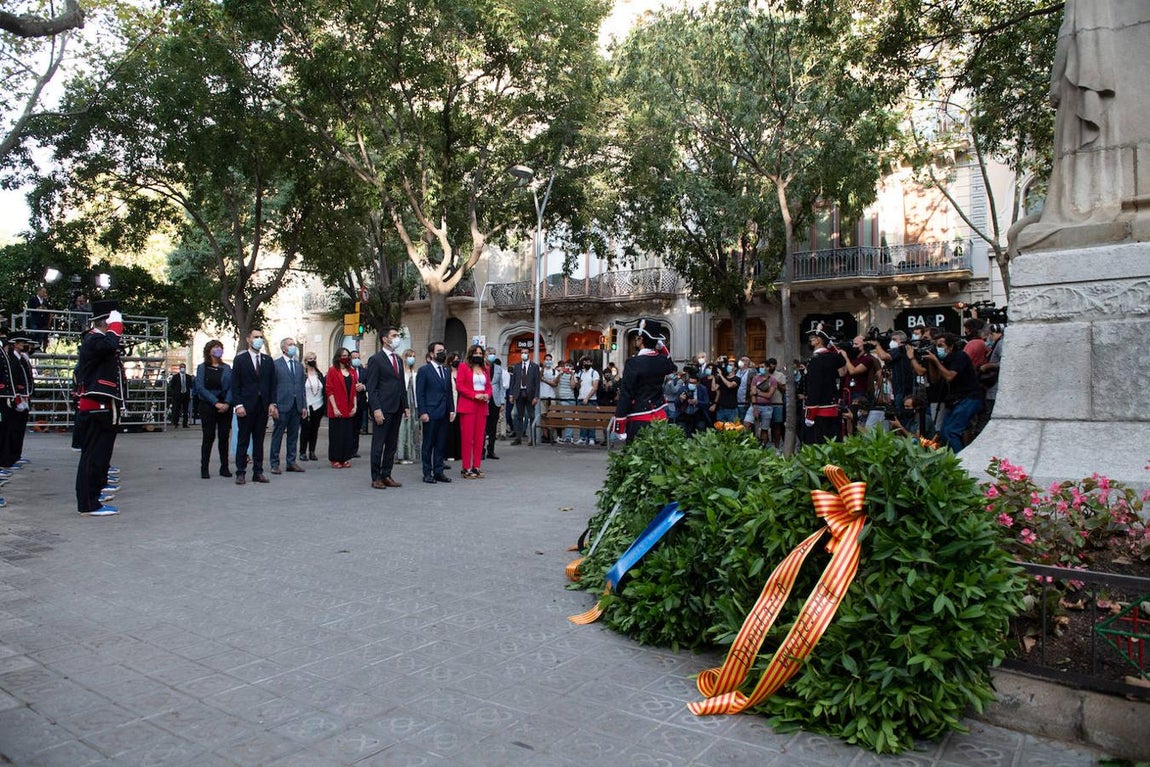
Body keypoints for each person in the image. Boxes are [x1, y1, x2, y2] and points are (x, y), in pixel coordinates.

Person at [73, 301, 126, 516]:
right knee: (93, 455)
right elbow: (109, 344)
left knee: (101, 454)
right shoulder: (93, 338)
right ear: (105, 322)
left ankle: (94, 494)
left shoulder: (100, 340)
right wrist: (115, 327)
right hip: (96, 406)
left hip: (104, 407)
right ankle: (88, 502)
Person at [910, 332, 983, 453]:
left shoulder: (960, 356)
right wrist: (932, 362)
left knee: (952, 431)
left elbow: (949, 376)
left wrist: (936, 360)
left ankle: (960, 461)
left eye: (941, 345)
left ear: (951, 346)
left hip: (969, 398)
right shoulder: (945, 359)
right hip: (957, 400)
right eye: (936, 345)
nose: (938, 348)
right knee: (943, 432)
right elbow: (934, 379)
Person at [613, 320, 676, 443]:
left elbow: (626, 393)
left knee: (636, 458)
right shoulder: (662, 360)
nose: (635, 341)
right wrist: (662, 347)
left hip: (639, 417)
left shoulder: (633, 363)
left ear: (641, 339)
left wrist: (619, 423)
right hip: (660, 416)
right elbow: (671, 365)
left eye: (636, 338)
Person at [230, 328, 278, 485]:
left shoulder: (267, 360)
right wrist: (238, 405)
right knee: (243, 439)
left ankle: (258, 471)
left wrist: (272, 403)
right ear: (249, 339)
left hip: (262, 406)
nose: (259, 340)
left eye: (261, 337)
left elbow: (272, 384)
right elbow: (235, 385)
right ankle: (241, 472)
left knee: (259, 440)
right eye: (256, 337)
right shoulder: (240, 360)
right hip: (246, 405)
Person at [365, 327, 409, 489]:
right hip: (383, 408)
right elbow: (372, 386)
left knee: (391, 444)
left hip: (397, 407)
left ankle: (387, 474)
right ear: (385, 339)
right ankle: (375, 477)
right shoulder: (376, 359)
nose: (397, 338)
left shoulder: (398, 359)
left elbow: (401, 384)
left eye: (398, 335)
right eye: (394, 335)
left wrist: (406, 406)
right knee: (379, 444)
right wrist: (376, 409)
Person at [416, 341, 455, 484]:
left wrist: (451, 409)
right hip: (430, 413)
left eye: (444, 350)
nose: (442, 353)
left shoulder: (446, 370)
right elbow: (420, 393)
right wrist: (423, 412)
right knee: (428, 444)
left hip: (444, 412)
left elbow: (449, 392)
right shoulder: (424, 371)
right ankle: (427, 473)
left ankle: (439, 471)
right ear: (432, 354)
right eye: (439, 351)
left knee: (440, 444)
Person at [193, 339, 233, 479]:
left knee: (224, 436)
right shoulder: (202, 367)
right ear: (209, 350)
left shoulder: (227, 368)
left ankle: (224, 467)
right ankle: (204, 468)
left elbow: (231, 387)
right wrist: (215, 402)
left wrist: (227, 403)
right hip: (208, 405)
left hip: (225, 406)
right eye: (215, 347)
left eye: (220, 347)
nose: (218, 350)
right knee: (208, 436)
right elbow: (200, 388)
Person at [802, 328, 849, 445]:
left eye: (812, 338)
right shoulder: (831, 357)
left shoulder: (816, 360)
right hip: (832, 407)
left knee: (818, 446)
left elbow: (814, 387)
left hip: (819, 410)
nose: (810, 340)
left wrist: (810, 413)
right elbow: (842, 365)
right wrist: (833, 347)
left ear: (818, 341)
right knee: (832, 444)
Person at [269, 336, 307, 475]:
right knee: (278, 435)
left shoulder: (298, 365)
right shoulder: (276, 364)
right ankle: (274, 463)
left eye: (294, 344)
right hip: (281, 405)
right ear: (284, 348)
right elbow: (272, 386)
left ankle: (291, 462)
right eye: (290, 345)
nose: (293, 347)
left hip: (296, 406)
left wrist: (304, 406)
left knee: (293, 435)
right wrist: (273, 405)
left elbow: (302, 388)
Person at [455, 344, 493, 479]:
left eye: (480, 353)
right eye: (475, 353)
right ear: (470, 354)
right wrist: (473, 394)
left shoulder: (485, 369)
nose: (478, 355)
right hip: (468, 405)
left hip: (482, 405)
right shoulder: (463, 367)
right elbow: (459, 386)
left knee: (479, 438)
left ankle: (476, 466)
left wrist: (487, 395)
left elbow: (489, 386)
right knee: (467, 438)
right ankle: (466, 467)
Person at [0, 335, 34, 469]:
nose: (26, 346)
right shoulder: (12, 358)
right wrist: (17, 397)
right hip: (7, 396)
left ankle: (11, 457)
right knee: (8, 430)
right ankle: (6, 459)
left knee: (13, 430)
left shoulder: (18, 358)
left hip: (12, 395)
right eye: (22, 343)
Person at [325, 349, 358, 468]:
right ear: (338, 357)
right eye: (343, 355)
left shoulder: (352, 371)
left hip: (349, 407)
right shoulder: (332, 370)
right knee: (336, 434)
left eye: (347, 356)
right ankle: (335, 458)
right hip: (337, 406)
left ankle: (345, 457)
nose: (346, 358)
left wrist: (355, 406)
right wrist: (334, 407)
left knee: (347, 434)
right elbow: (329, 390)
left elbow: (354, 390)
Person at [507, 349, 540, 446]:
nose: (523, 354)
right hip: (519, 393)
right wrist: (511, 394)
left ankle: (532, 439)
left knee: (531, 416)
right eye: (522, 353)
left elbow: (537, 383)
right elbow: (513, 381)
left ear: (529, 354)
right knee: (518, 416)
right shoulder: (516, 366)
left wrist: (536, 396)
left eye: (525, 353)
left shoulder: (534, 367)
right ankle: (518, 438)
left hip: (530, 394)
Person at [300, 352, 325, 461]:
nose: (312, 360)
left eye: (314, 358)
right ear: (305, 360)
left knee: (315, 429)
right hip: (307, 404)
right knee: (305, 429)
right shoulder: (302, 373)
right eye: (310, 358)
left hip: (319, 404)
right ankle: (302, 452)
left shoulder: (319, 374)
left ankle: (312, 451)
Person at [396, 349, 420, 465]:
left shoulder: (414, 372)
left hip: (412, 403)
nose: (412, 358)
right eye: (410, 356)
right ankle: (400, 455)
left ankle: (409, 455)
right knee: (402, 429)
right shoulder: (401, 372)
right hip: (403, 402)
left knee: (412, 429)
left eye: (414, 356)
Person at [573, 355, 600, 445]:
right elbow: (577, 387)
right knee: (582, 420)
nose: (586, 363)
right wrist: (578, 383)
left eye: (588, 362)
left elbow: (595, 387)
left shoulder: (594, 373)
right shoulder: (580, 373)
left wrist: (587, 398)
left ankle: (592, 438)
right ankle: (582, 437)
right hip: (581, 398)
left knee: (591, 420)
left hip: (591, 400)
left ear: (591, 363)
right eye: (585, 362)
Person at [484, 348, 504, 460]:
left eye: (493, 354)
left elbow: (501, 387)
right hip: (484, 399)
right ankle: (481, 450)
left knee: (493, 427)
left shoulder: (498, 368)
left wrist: (502, 402)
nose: (492, 356)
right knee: (483, 427)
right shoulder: (481, 367)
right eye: (490, 353)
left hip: (495, 400)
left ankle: (491, 450)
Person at [712, 356, 740, 423]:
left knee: (732, 430)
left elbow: (729, 385)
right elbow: (714, 388)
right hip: (721, 408)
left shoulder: (737, 379)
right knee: (720, 429)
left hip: (732, 409)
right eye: (728, 365)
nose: (728, 366)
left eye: (731, 365)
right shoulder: (722, 378)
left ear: (735, 368)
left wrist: (721, 375)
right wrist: (714, 376)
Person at [539, 353, 558, 444]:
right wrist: (543, 368)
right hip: (542, 396)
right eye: (546, 359)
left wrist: (545, 380)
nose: (548, 361)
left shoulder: (555, 372)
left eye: (550, 360)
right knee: (542, 416)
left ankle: (551, 435)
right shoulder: (541, 370)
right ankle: (545, 435)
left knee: (552, 416)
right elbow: (539, 377)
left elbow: (555, 384)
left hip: (551, 396)